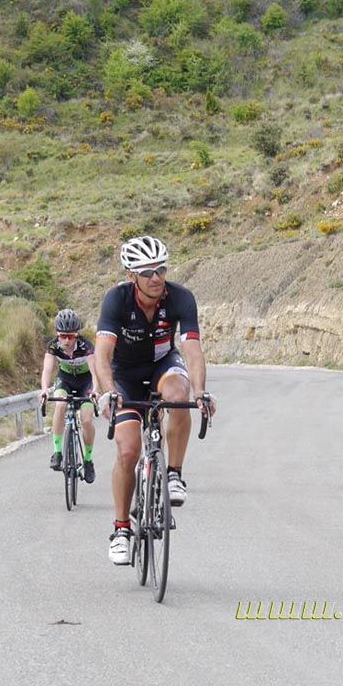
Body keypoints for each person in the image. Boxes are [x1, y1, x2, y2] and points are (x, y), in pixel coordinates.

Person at [93, 235, 217, 565]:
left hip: (163, 364)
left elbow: (192, 350)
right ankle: (121, 529)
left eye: (161, 269)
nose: (156, 277)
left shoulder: (180, 298)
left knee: (178, 395)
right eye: (147, 272)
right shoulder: (116, 300)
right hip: (125, 375)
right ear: (131, 275)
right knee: (129, 449)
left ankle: (173, 474)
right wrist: (109, 392)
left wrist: (201, 392)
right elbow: (102, 356)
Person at [40, 309, 97, 484]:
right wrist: (44, 389)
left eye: (71, 336)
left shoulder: (86, 346)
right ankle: (57, 452)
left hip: (86, 383)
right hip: (65, 380)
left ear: (77, 334)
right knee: (60, 405)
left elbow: (95, 372)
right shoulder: (53, 346)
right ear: (57, 334)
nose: (66, 340)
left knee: (86, 420)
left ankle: (88, 461)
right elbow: (48, 370)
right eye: (63, 336)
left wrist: (95, 390)